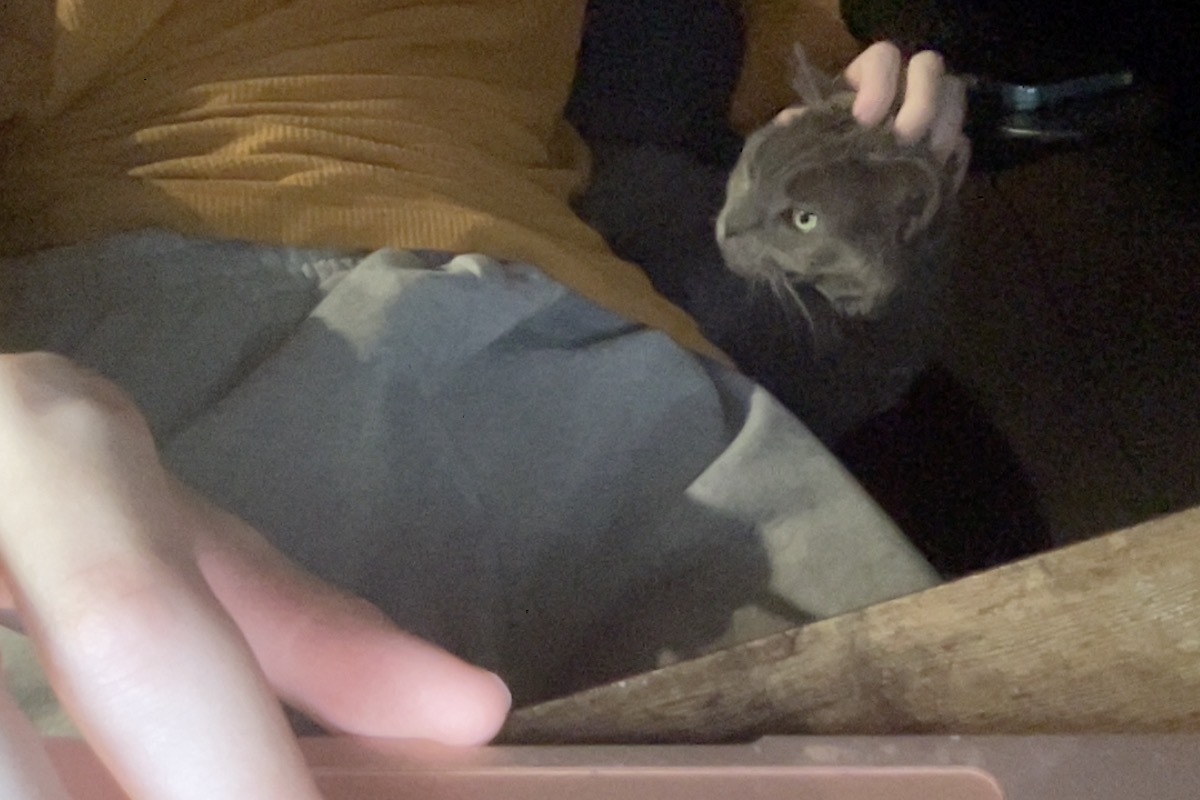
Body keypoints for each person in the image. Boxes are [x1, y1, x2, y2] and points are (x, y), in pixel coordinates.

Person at [0, 1, 966, 796]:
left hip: (597, 345)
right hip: (172, 320)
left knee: (955, 751)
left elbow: (824, 97)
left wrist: (885, 127)